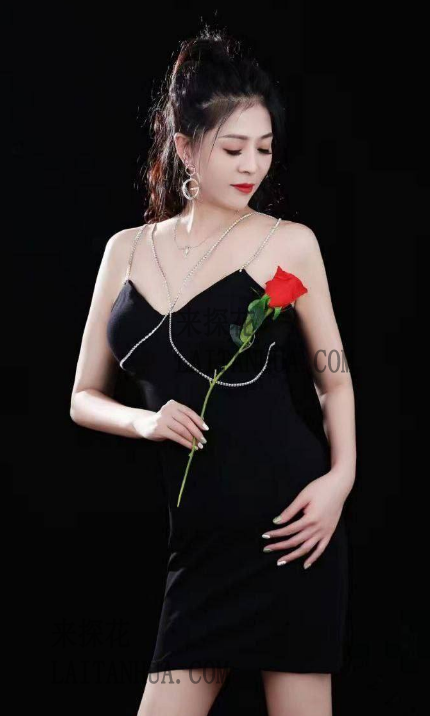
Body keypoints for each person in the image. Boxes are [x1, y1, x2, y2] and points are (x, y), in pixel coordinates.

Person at [70, 25, 356, 716]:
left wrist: (339, 481)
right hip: (199, 548)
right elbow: (82, 395)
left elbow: (334, 376)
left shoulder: (291, 243)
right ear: (185, 147)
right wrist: (146, 421)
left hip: (291, 528)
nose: (252, 165)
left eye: (264, 148)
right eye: (233, 148)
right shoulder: (125, 251)